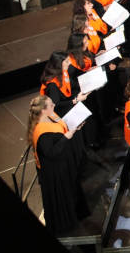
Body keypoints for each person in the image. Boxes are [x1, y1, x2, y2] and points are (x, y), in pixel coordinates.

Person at [28, 95, 89, 235]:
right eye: (51, 105)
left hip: (64, 164)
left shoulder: (51, 116)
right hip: (55, 172)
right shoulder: (41, 131)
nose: (54, 105)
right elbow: (51, 152)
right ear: (43, 110)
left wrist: (74, 128)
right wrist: (67, 136)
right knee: (63, 198)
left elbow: (61, 128)